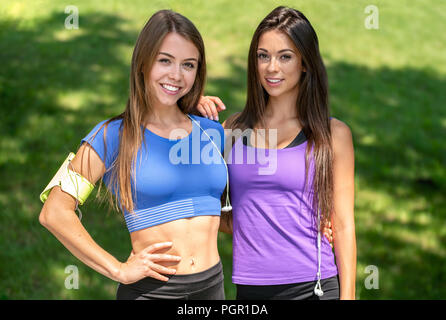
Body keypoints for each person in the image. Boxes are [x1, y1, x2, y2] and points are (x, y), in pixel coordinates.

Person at [39, 10, 228, 300]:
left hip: (212, 287)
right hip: (152, 292)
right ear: (143, 63)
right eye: (165, 61)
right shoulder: (111, 136)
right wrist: (117, 270)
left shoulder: (209, 130)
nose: (176, 75)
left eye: (188, 65)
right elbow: (54, 212)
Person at [197, 6, 356, 300]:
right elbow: (211, 209)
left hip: (316, 287)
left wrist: (349, 297)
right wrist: (190, 113)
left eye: (285, 56)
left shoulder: (333, 136)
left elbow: (344, 225)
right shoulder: (233, 130)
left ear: (305, 63)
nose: (272, 67)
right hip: (251, 289)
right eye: (263, 56)